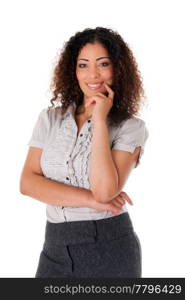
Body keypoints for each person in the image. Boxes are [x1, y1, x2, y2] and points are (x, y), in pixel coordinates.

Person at [19, 27, 149, 278]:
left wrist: (100, 119)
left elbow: (104, 191)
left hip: (110, 247)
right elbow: (27, 183)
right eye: (83, 65)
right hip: (54, 246)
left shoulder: (131, 128)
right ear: (73, 71)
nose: (93, 74)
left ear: (117, 69)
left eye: (103, 64)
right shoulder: (51, 119)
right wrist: (91, 200)